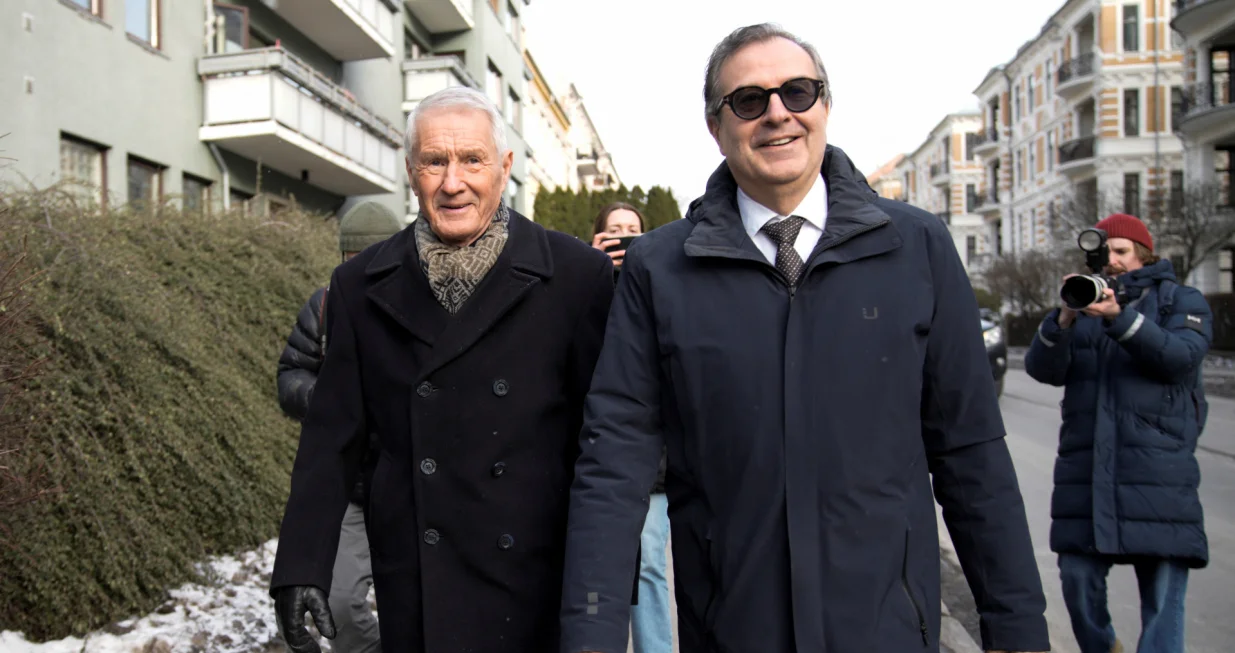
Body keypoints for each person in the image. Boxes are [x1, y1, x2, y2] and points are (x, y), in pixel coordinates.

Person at [559, 23, 1049, 653]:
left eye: (797, 91)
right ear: (715, 127)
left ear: (825, 106)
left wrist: (1017, 629)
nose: (777, 114)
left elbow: (971, 454)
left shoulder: (916, 247)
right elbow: (614, 462)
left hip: (886, 632)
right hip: (734, 632)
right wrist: (591, 636)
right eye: (748, 100)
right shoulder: (659, 268)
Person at [269, 86, 615, 653]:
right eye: (434, 161)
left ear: (504, 167)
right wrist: (302, 563)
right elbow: (332, 437)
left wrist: (602, 586)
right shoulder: (359, 286)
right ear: (411, 172)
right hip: (419, 577)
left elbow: (602, 445)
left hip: (535, 577)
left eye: (472, 160)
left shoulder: (577, 277)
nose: (453, 182)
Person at [1025, 213, 1211, 653]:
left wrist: (1120, 318)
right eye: (1105, 252)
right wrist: (1064, 317)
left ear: (1144, 253)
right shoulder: (1084, 304)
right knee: (1077, 579)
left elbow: (1180, 358)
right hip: (1087, 473)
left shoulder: (1181, 300)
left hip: (1159, 472)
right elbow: (1043, 370)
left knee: (1162, 600)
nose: (1113, 260)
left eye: (1122, 251)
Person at [275, 200, 403, 653]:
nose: (366, 267)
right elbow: (291, 374)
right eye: (355, 257)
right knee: (341, 604)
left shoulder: (422, 309)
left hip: (410, 491)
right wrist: (330, 401)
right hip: (349, 489)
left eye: (377, 255)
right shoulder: (325, 306)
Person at [590, 203, 673, 653]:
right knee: (595, 569)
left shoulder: (662, 284)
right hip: (595, 456)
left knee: (649, 567)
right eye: (615, 230)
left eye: (633, 230)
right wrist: (593, 272)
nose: (625, 237)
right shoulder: (584, 287)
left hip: (652, 462)